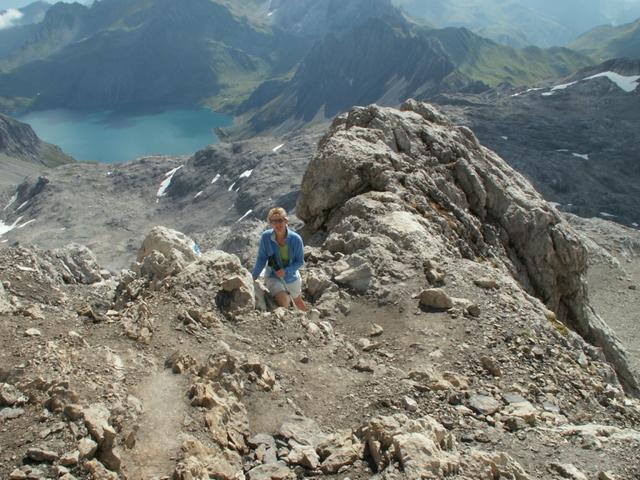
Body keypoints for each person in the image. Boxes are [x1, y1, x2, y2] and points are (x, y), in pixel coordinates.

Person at [252, 207, 306, 310]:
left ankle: (307, 322)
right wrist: (254, 276)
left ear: (286, 221)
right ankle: (286, 320)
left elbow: (300, 262)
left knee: (298, 301)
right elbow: (262, 258)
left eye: (280, 220)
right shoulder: (266, 237)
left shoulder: (296, 239)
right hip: (273, 276)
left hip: (292, 277)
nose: (277, 224)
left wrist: (286, 271)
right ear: (270, 223)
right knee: (284, 300)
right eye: (273, 221)